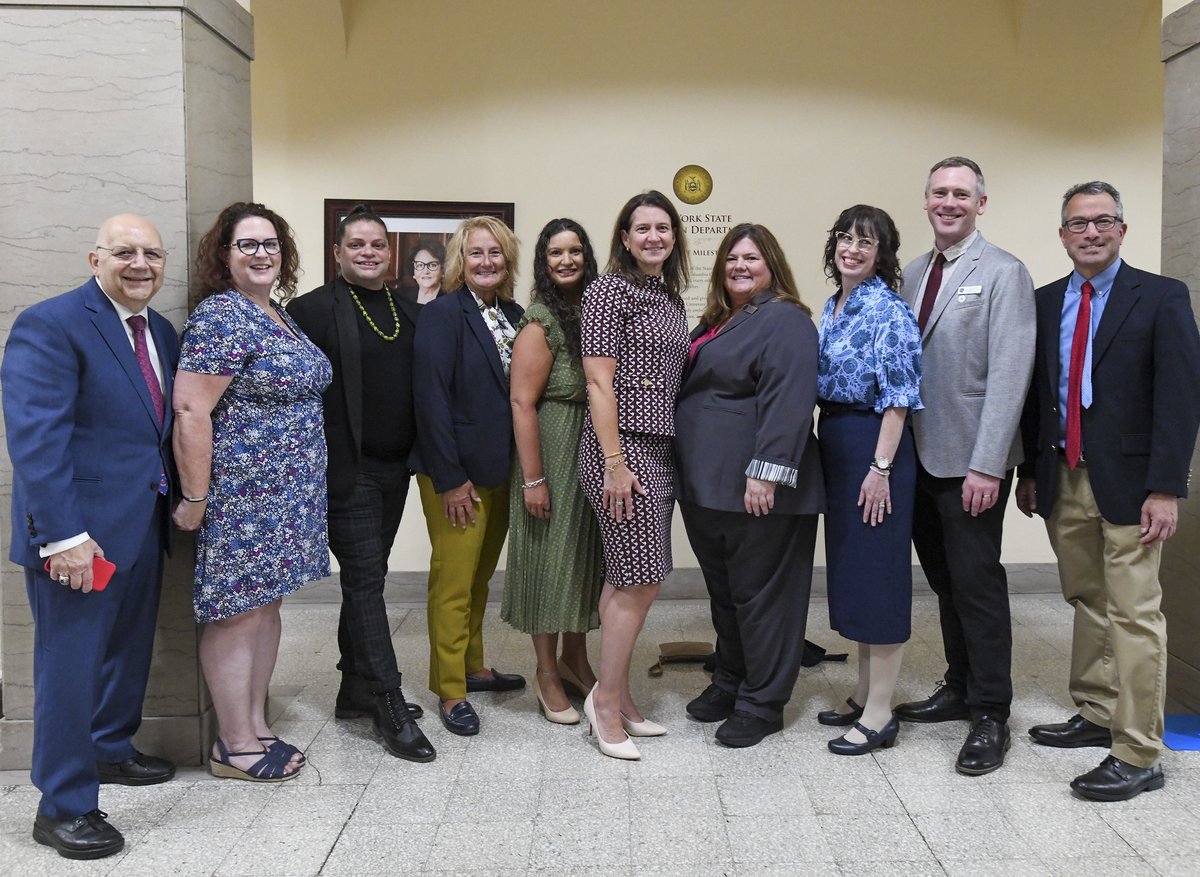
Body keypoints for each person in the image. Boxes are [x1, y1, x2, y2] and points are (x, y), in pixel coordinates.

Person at [1016, 181, 1200, 801]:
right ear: (1062, 234)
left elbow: (1180, 399)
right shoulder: (1044, 303)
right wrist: (1030, 472)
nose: (1090, 233)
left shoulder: (1162, 297)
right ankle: (1096, 712)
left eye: (1102, 221)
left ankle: (1140, 751)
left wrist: (1166, 488)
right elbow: (1040, 397)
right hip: (1064, 475)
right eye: (1077, 224)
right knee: (1087, 598)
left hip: (1132, 484)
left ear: (1122, 229)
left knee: (1135, 614)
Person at [2, 215, 179, 859]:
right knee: (70, 666)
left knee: (124, 654)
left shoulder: (158, 330)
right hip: (78, 538)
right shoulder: (52, 324)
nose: (140, 263)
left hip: (141, 524)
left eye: (152, 253)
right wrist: (63, 535)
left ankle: (107, 749)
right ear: (94, 258)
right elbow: (36, 440)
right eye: (124, 252)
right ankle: (63, 805)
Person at [173, 202, 332, 782]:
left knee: (266, 610)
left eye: (271, 244)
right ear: (224, 255)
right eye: (248, 245)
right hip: (245, 497)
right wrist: (195, 498)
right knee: (237, 615)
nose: (262, 253)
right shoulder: (222, 316)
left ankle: (256, 725)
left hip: (289, 497)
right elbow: (191, 409)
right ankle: (233, 745)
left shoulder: (277, 314)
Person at [895, 156, 1036, 775]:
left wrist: (988, 466)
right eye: (939, 192)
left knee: (977, 584)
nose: (949, 201)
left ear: (981, 203)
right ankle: (958, 684)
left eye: (961, 193)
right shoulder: (912, 271)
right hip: (917, 456)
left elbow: (1010, 374)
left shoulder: (1004, 272)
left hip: (970, 462)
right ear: (925, 202)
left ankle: (991, 712)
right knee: (945, 581)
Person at [287, 204, 435, 762]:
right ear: (338, 253)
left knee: (369, 571)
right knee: (366, 581)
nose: (368, 252)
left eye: (377, 245)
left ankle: (352, 687)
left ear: (389, 253)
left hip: (397, 469)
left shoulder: (406, 308)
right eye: (357, 245)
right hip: (346, 471)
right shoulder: (310, 310)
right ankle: (387, 700)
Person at [675, 223, 824, 748]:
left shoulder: (785, 320)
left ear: (772, 266)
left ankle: (763, 702)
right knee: (728, 596)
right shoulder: (720, 321)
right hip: (706, 487)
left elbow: (789, 398)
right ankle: (731, 680)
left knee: (764, 599)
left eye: (752, 258)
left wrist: (767, 470)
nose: (740, 266)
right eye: (732, 258)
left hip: (756, 489)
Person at [579, 190, 690, 760]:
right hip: (621, 451)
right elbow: (599, 383)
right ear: (624, 237)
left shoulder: (667, 296)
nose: (653, 237)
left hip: (659, 446)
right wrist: (616, 463)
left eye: (662, 228)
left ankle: (615, 694)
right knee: (639, 579)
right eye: (641, 228)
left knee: (628, 579)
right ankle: (604, 708)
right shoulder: (608, 292)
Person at [410, 215, 527, 736]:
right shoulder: (441, 315)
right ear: (461, 259)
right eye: (476, 253)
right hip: (455, 474)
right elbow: (429, 400)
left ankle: (473, 666)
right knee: (454, 581)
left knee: (480, 576)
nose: (486, 262)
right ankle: (450, 689)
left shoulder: (515, 314)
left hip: (500, 468)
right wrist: (450, 477)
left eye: (495, 253)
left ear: (507, 260)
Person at [815, 206, 923, 755]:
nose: (852, 248)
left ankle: (881, 713)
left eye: (866, 241)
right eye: (845, 238)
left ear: (883, 253)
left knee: (878, 577)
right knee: (856, 574)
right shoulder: (835, 306)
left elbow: (899, 400)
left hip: (872, 449)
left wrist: (880, 470)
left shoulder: (888, 309)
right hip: (837, 444)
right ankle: (862, 695)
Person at [503, 218, 604, 724]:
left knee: (583, 559)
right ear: (543, 262)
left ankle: (575, 659)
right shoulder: (539, 319)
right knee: (549, 560)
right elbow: (522, 403)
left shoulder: (594, 308)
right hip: (551, 448)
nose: (567, 261)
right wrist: (534, 479)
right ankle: (546, 671)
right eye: (555, 253)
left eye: (575, 251)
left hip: (588, 450)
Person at [409, 239, 445, 304]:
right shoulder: (404, 297)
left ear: (442, 270)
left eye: (432, 265)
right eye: (420, 265)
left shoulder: (451, 300)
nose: (426, 271)